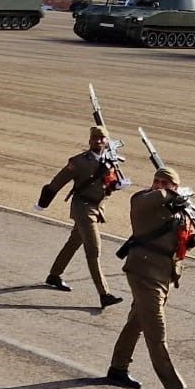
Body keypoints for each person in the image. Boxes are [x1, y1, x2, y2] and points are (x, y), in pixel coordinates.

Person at [106, 167, 195, 389]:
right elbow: (154, 199)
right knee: (156, 332)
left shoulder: (179, 211)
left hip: (163, 276)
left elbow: (174, 244)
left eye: (165, 182)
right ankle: (175, 388)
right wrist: (173, 193)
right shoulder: (142, 200)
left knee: (137, 322)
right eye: (156, 181)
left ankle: (117, 368)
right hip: (143, 273)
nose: (159, 185)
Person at [38, 125, 127, 307]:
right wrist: (43, 202)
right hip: (83, 208)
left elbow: (108, 183)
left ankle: (54, 275)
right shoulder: (79, 161)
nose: (99, 141)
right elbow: (58, 181)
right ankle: (104, 294)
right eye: (95, 138)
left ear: (107, 141)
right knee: (94, 249)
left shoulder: (110, 160)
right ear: (89, 141)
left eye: (102, 138)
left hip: (97, 207)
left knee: (74, 242)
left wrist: (116, 186)